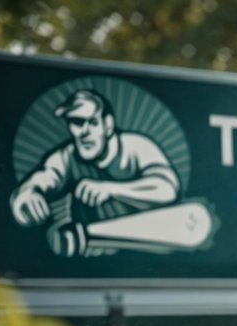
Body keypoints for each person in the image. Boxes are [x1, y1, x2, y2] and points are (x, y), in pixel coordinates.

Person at [9, 89, 180, 230]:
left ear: (108, 125)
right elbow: (45, 176)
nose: (84, 132)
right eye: (77, 122)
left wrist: (110, 189)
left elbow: (167, 188)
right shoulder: (67, 156)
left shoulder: (136, 147)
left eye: (92, 122)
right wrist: (27, 194)